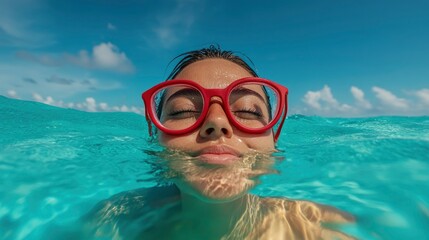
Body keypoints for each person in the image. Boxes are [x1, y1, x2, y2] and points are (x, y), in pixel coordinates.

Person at [82, 46, 355, 240]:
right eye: (183, 110)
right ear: (156, 136)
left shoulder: (320, 229)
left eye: (249, 110)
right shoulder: (113, 219)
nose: (217, 122)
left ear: (274, 140)